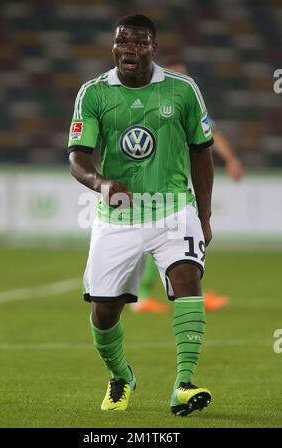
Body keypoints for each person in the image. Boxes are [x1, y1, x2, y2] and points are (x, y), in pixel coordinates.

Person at [68, 14, 214, 416]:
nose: (128, 48)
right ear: (114, 46)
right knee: (103, 310)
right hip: (117, 215)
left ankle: (184, 384)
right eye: (121, 41)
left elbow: (202, 153)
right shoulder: (94, 94)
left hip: (173, 208)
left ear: (153, 47)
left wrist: (204, 215)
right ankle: (121, 377)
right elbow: (77, 159)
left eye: (138, 42)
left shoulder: (183, 90)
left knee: (188, 277)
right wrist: (101, 183)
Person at [132, 61, 244, 314]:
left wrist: (231, 159)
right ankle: (150, 295)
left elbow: (212, 134)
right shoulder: (150, 106)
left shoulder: (186, 104)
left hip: (179, 183)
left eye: (184, 75)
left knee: (181, 238)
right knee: (174, 237)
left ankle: (151, 295)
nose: (183, 79)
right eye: (177, 74)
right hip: (159, 186)